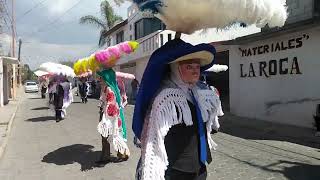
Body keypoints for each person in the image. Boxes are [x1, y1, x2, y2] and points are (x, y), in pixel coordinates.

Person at [133, 39, 223, 180]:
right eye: (189, 67)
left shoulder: (199, 92)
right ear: (176, 69)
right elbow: (154, 138)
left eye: (197, 67)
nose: (195, 71)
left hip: (199, 166)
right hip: (176, 170)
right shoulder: (165, 98)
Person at [96, 70, 130, 166]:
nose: (99, 80)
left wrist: (105, 118)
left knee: (113, 136)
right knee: (105, 137)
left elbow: (111, 105)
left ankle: (122, 154)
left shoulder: (110, 90)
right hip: (106, 116)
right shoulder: (105, 88)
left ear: (107, 79)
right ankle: (105, 156)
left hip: (110, 117)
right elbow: (104, 102)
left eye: (101, 78)